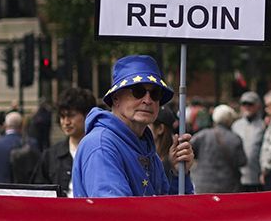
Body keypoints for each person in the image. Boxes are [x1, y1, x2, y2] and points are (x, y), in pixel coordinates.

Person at [71, 55, 195, 197]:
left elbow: (173, 211)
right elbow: (117, 213)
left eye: (155, 93)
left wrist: (179, 173)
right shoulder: (101, 146)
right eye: (138, 91)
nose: (148, 100)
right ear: (116, 97)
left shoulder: (148, 151)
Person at [36, 87, 95, 197]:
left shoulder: (100, 151)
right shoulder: (50, 155)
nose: (66, 122)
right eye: (62, 116)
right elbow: (39, 194)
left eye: (71, 115)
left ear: (87, 115)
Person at [192, 104, 248, 194]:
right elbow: (242, 161)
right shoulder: (235, 139)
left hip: (203, 186)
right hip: (228, 187)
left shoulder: (203, 135)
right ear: (230, 120)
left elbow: (189, 149)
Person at [233, 91, 267, 191]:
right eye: (244, 104)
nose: (247, 107)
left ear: (258, 106)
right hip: (238, 176)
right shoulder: (235, 125)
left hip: (257, 176)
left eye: (250, 104)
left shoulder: (263, 125)